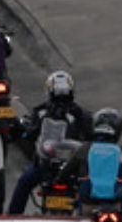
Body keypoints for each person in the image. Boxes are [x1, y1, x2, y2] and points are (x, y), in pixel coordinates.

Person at [7, 71, 91, 214]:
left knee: (23, 184)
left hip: (45, 167)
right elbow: (89, 135)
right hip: (71, 169)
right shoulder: (80, 113)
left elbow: (31, 133)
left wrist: (22, 129)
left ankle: (12, 220)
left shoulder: (41, 111)